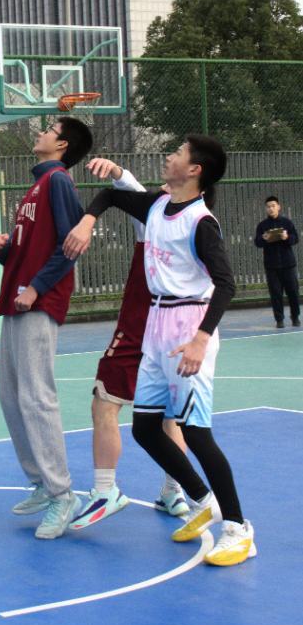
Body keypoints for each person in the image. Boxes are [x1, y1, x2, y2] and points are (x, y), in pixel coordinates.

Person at [63, 134, 255, 566]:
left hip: (189, 325)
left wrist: (201, 339)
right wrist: (88, 220)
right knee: (145, 428)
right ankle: (203, 500)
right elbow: (112, 195)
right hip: (156, 324)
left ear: (195, 170)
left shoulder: (201, 222)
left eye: (179, 153)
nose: (170, 156)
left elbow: (226, 284)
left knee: (197, 432)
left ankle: (238, 527)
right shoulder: (157, 206)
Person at [0, 115, 92, 539]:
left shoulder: (58, 182)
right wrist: (5, 252)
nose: (40, 132)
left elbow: (70, 246)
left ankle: (62, 493)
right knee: (11, 396)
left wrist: (35, 287)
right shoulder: (37, 185)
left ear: (62, 145)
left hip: (37, 299)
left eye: (49, 130)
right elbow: (31, 250)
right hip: (19, 298)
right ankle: (42, 483)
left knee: (37, 397)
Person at [70, 158, 189, 531]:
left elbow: (130, 190)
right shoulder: (198, 224)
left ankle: (106, 491)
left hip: (139, 330)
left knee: (105, 404)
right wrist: (117, 172)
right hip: (175, 333)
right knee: (170, 416)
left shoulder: (154, 217)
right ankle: (174, 491)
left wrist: (118, 174)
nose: (160, 190)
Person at [254, 195, 299, 328]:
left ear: (278, 207)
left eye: (273, 206)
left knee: (293, 292)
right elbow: (257, 242)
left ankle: (295, 317)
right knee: (276, 294)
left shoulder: (287, 223)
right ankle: (279, 320)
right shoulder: (262, 225)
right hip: (271, 266)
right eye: (268, 206)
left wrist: (287, 237)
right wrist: (264, 238)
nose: (271, 208)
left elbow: (295, 238)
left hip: (288, 264)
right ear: (266, 209)